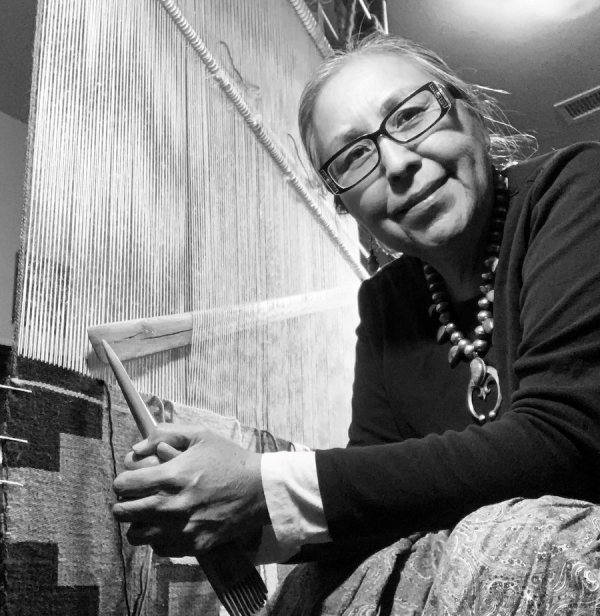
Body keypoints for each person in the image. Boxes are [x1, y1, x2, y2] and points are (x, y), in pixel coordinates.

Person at [112, 32, 600, 614]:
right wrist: (219, 513)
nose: (397, 164)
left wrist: (262, 486)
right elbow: (377, 501)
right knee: (307, 594)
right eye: (353, 158)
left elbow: (565, 439)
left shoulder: (576, 188)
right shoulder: (386, 302)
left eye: (412, 114)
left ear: (470, 111)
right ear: (347, 208)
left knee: (513, 543)